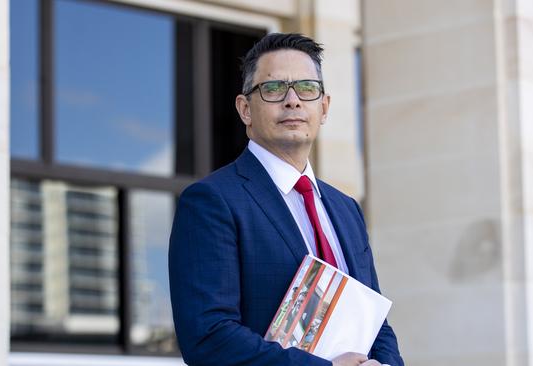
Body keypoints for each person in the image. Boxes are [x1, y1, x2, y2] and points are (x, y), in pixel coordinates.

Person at [169, 32, 404, 366]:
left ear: (323, 107)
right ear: (245, 109)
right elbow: (209, 337)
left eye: (307, 88)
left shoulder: (346, 208)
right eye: (274, 88)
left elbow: (375, 322)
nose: (292, 100)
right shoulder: (211, 201)